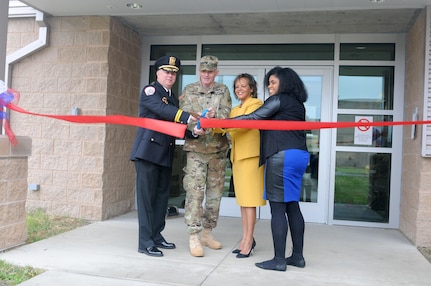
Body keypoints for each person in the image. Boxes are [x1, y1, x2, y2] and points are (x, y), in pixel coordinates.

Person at [232, 67, 309, 271]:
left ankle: (278, 260)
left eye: (273, 82)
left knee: (278, 208)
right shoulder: (298, 104)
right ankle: (297, 257)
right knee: (292, 206)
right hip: (299, 155)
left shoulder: (279, 100)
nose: (269, 86)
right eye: (269, 83)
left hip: (281, 156)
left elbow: (252, 118)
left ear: (284, 83)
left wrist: (219, 123)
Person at [130, 55, 200, 257]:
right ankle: (145, 243)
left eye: (173, 73)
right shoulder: (150, 91)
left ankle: (156, 236)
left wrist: (193, 132)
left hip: (164, 154)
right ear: (158, 73)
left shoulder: (170, 97)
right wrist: (187, 116)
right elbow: (164, 111)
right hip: (147, 154)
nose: (170, 75)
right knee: (146, 200)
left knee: (161, 200)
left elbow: (174, 123)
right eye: (166, 71)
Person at [179, 55, 232, 257]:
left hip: (217, 151)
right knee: (194, 193)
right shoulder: (190, 90)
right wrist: (196, 127)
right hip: (196, 150)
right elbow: (183, 115)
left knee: (215, 195)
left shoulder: (223, 91)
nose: (207, 75)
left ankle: (207, 233)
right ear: (199, 72)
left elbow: (227, 116)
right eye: (203, 71)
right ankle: (194, 235)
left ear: (216, 72)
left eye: (210, 71)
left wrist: (214, 118)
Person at [226, 73, 265, 258]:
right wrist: (210, 123)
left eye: (243, 86)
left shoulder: (256, 104)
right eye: (236, 86)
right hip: (238, 158)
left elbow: (242, 124)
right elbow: (226, 126)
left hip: (251, 157)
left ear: (251, 88)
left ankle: (248, 241)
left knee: (250, 202)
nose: (239, 89)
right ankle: (246, 238)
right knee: (243, 203)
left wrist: (223, 125)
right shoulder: (235, 109)